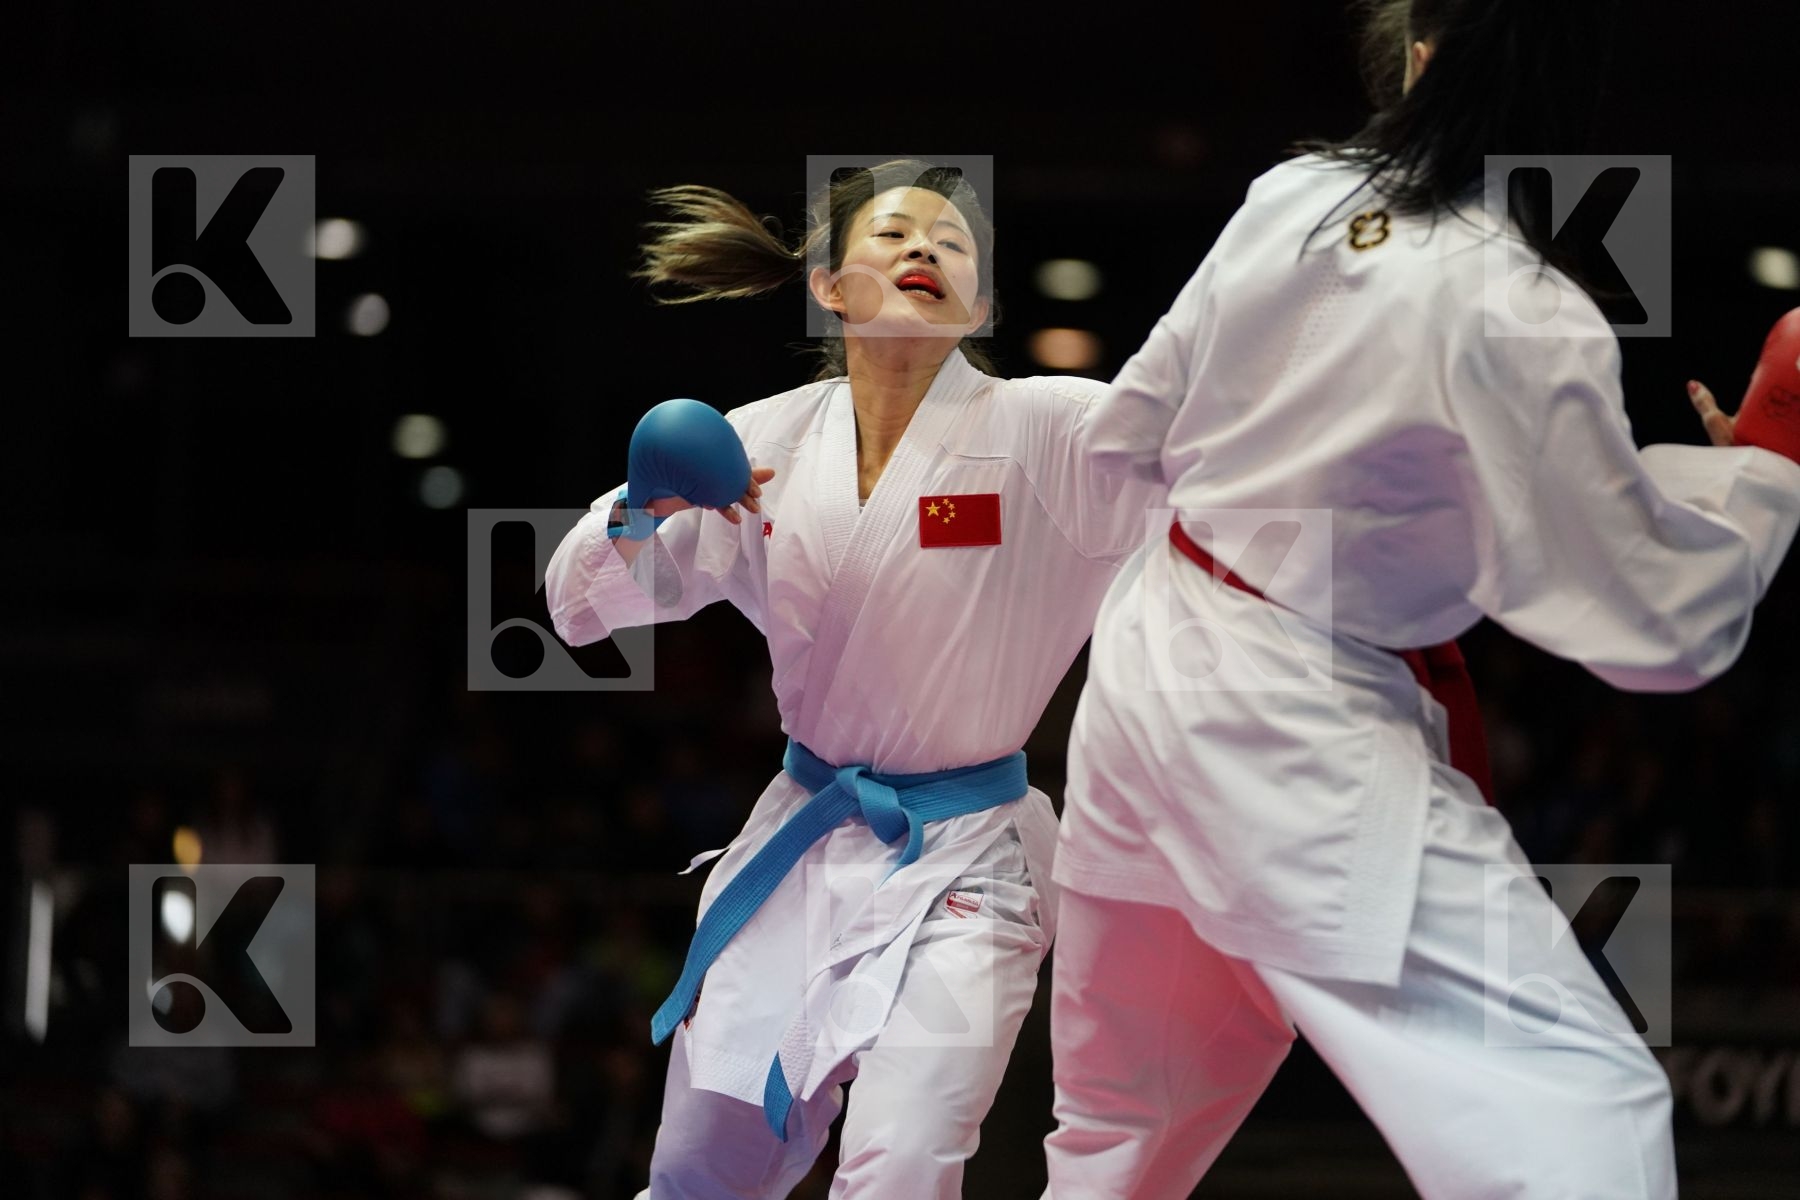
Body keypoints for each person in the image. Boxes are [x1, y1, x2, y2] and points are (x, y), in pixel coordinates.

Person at [1039, 2, 1800, 1198]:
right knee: (1581, 1111)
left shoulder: (1290, 196)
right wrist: (1765, 463)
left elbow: (1127, 438)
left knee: (1123, 1136)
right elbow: (1659, 623)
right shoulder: (1518, 308)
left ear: (1427, 63)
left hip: (1151, 660)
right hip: (1289, 722)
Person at [544, 159, 1160, 1198]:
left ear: (983, 304)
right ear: (829, 287)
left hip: (973, 856)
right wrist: (642, 507)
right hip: (801, 838)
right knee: (702, 1169)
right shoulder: (761, 443)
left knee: (905, 1160)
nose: (925, 250)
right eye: (892, 235)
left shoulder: (1054, 431)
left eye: (953, 244)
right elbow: (581, 610)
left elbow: (1217, 489)